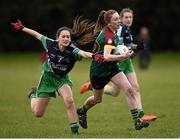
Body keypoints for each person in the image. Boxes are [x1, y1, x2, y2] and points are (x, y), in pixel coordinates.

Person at [11, 17, 96, 135]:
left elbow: (83, 53)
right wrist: (22, 28)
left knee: (69, 101)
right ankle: (32, 95)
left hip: (62, 79)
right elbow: (37, 35)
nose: (66, 39)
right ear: (58, 38)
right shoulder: (50, 44)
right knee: (38, 113)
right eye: (63, 36)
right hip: (47, 78)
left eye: (68, 37)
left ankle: (75, 133)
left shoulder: (72, 50)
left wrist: (94, 56)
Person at [76, 9, 149, 130]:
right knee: (97, 99)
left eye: (118, 19)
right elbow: (107, 56)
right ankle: (82, 111)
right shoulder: (108, 35)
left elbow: (121, 47)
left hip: (112, 68)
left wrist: (127, 51)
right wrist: (123, 56)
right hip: (98, 72)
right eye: (116, 19)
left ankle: (137, 121)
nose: (119, 21)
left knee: (129, 88)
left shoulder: (114, 32)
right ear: (109, 23)